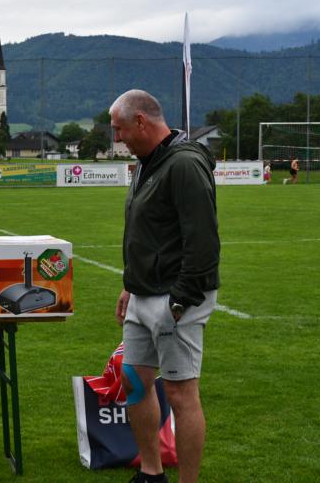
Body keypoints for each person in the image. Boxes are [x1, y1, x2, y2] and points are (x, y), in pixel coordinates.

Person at [110, 90, 220, 483]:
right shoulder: (147, 162)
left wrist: (180, 301)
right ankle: (151, 473)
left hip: (176, 297)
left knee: (180, 393)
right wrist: (130, 285)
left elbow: (202, 240)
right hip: (143, 294)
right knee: (134, 381)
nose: (117, 138)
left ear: (141, 121)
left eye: (119, 129)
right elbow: (148, 233)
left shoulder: (185, 164)